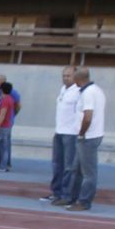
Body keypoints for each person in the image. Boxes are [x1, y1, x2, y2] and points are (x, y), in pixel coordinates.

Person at [62, 68, 105, 211]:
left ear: (77, 79)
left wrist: (81, 133)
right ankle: (73, 198)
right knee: (77, 170)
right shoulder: (96, 90)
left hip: (88, 137)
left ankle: (85, 201)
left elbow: (88, 116)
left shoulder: (88, 93)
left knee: (88, 173)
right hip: (91, 135)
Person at [43, 68, 80, 201]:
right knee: (57, 164)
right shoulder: (63, 89)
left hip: (71, 133)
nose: (65, 78)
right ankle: (56, 192)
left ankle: (67, 195)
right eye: (63, 75)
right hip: (59, 132)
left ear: (75, 76)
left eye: (68, 76)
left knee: (69, 166)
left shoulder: (79, 91)